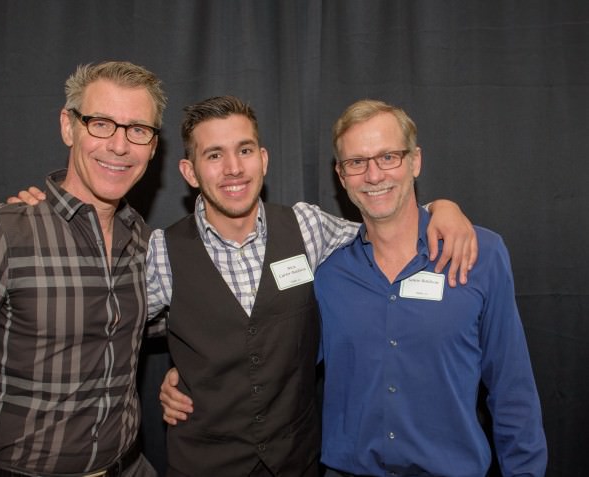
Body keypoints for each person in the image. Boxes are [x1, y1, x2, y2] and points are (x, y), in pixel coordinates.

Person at [151, 96, 477, 476]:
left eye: (244, 150)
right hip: (203, 465)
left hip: (296, 461)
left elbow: (385, 224)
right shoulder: (162, 251)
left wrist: (441, 208)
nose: (234, 168)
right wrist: (182, 369)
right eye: (214, 155)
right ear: (190, 172)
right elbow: (121, 338)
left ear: (264, 159)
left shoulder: (308, 227)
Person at [0, 60, 166, 477]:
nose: (119, 146)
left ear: (153, 146)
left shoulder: (146, 245)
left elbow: (179, 324)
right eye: (101, 123)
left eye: (138, 129)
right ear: (69, 126)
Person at [314, 99, 547, 476]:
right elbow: (277, 367)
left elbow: (512, 389)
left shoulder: (481, 256)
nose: (373, 175)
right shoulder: (327, 272)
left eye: (388, 156)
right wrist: (187, 376)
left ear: (414, 161)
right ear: (342, 176)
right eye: (357, 162)